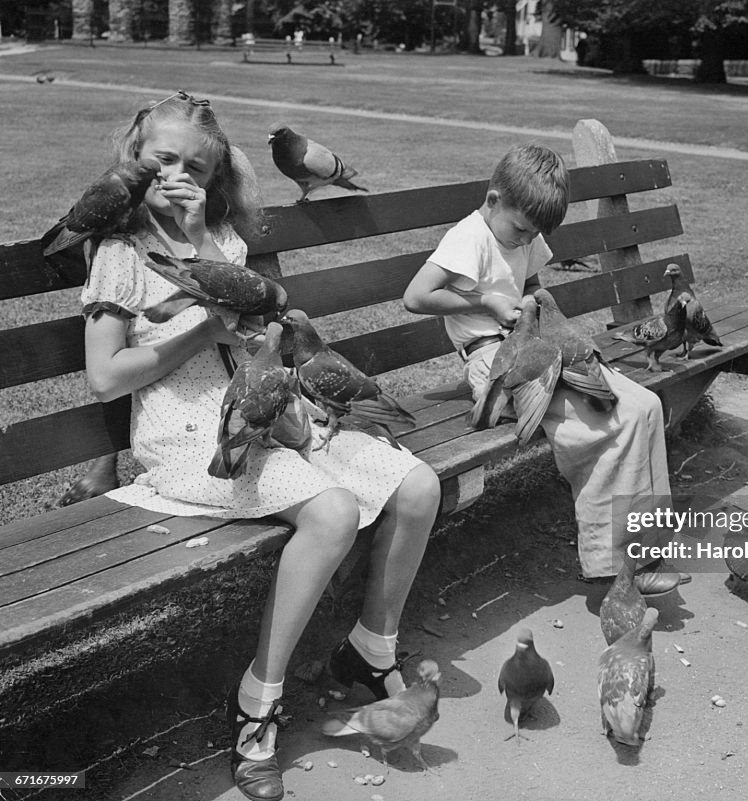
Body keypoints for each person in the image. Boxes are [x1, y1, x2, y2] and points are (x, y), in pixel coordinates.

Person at [80, 91, 440, 801]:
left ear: (216, 179)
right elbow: (102, 379)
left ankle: (369, 650)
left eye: (197, 168)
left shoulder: (226, 244)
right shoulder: (119, 252)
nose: (178, 175)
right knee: (333, 511)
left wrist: (207, 249)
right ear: (136, 160)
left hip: (273, 416)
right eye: (165, 160)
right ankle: (256, 703)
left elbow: (258, 335)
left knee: (418, 486)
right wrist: (198, 333)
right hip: (186, 438)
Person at [403, 143, 684, 595]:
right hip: (496, 362)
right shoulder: (469, 236)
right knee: (601, 429)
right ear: (494, 200)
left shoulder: (523, 232)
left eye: (532, 234)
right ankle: (614, 566)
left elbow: (530, 281)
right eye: (520, 230)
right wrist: (485, 302)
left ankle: (646, 551)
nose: (523, 240)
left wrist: (532, 301)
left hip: (538, 345)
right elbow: (416, 297)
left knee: (644, 406)